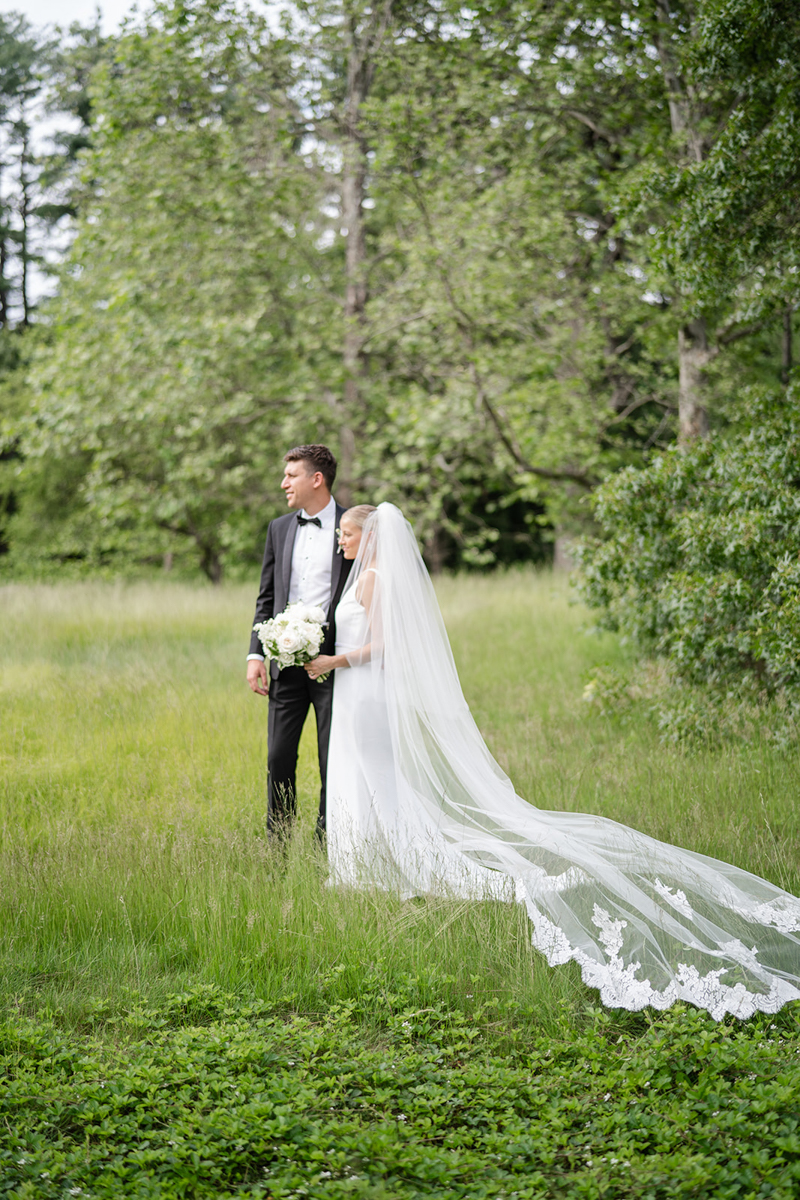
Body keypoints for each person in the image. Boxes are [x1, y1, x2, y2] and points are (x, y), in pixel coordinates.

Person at [306, 502, 800, 1020]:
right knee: (366, 780)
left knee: (381, 782)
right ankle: (367, 863)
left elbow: (383, 647)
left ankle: (401, 868)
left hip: (365, 694)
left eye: (348, 534)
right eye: (341, 534)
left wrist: (331, 660)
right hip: (356, 694)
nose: (342, 541)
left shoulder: (372, 581)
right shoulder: (365, 578)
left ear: (372, 537)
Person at [247, 445, 352, 837]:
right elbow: (266, 596)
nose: (283, 483)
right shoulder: (279, 528)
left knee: (332, 757)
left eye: (291, 475)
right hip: (283, 658)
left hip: (334, 663)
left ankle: (328, 841)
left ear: (316, 479)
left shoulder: (351, 525)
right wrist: (255, 653)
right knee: (278, 756)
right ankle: (279, 842)